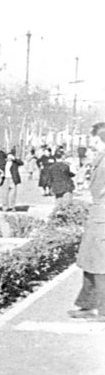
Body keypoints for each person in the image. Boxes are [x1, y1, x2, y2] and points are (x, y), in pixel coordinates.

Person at [69, 122, 105, 319]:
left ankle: (102, 308)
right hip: (98, 216)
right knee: (91, 261)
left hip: (103, 218)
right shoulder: (100, 159)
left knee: (100, 264)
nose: (91, 145)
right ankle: (88, 304)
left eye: (94, 141)